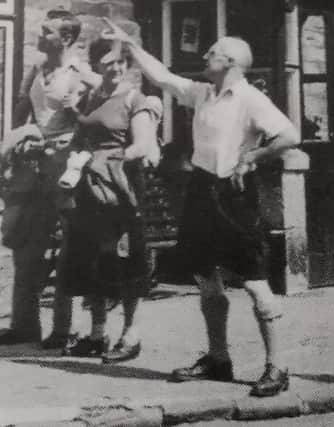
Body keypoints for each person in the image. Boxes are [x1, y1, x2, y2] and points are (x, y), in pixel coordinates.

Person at [102, 18, 299, 397]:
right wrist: (130, 45)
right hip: (201, 191)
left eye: (213, 52)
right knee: (206, 279)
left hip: (235, 197)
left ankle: (278, 366)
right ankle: (218, 358)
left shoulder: (250, 98)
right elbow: (162, 76)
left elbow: (290, 135)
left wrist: (252, 157)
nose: (206, 55)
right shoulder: (203, 93)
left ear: (231, 63)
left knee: (255, 283)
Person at [0, 9, 100, 348]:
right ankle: (24, 325)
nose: (40, 37)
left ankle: (63, 329)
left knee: (67, 249)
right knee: (26, 244)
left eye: (47, 32)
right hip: (31, 168)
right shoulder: (36, 70)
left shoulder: (83, 74)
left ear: (67, 38)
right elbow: (20, 114)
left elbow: (90, 122)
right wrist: (16, 144)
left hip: (63, 168)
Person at [57, 37, 161, 363]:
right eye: (109, 62)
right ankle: (97, 334)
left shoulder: (134, 99)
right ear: (98, 63)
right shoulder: (91, 97)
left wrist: (109, 160)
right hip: (88, 187)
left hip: (121, 189)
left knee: (124, 258)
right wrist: (75, 156)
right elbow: (79, 137)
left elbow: (142, 145)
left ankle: (131, 335)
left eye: (121, 62)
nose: (116, 68)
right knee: (92, 257)